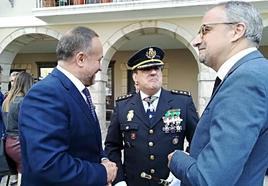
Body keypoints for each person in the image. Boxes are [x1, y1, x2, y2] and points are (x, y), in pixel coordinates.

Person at [168, 1, 268, 186]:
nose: (196, 40)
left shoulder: (245, 80)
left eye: (205, 30)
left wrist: (178, 159)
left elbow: (210, 179)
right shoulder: (254, 72)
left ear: (237, 31)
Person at [19, 26, 117, 186]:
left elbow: (87, 144)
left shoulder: (77, 91)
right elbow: (49, 164)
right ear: (81, 59)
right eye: (99, 60)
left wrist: (103, 158)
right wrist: (102, 172)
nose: (100, 67)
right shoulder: (46, 94)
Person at [105, 46, 199, 186]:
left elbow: (198, 141)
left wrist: (182, 170)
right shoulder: (123, 106)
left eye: (157, 68)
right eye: (146, 69)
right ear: (135, 76)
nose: (154, 72)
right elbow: (112, 146)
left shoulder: (182, 102)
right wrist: (119, 181)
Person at [2, 72, 34, 172]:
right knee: (26, 172)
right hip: (19, 142)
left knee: (21, 171)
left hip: (9, 141)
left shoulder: (8, 99)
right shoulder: (23, 101)